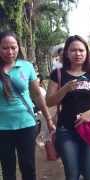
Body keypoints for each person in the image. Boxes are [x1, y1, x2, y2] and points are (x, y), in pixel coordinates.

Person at [46, 35, 90, 180]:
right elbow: (49, 101)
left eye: (81, 50)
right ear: (66, 53)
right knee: (72, 174)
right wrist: (64, 89)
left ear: (87, 53)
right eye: (73, 50)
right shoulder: (58, 74)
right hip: (66, 130)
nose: (78, 54)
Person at [0, 31, 54, 180]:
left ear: (19, 47)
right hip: (2, 128)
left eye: (13, 47)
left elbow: (37, 94)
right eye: (5, 48)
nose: (10, 52)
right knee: (7, 169)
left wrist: (48, 118)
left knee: (28, 167)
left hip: (26, 124)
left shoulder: (26, 66)